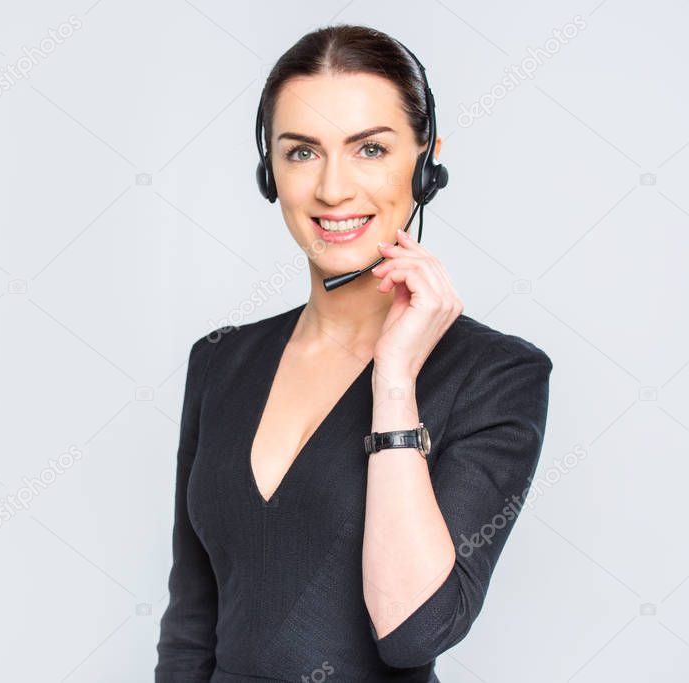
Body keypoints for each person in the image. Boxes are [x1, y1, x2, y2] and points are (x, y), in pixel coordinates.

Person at [155, 24, 553, 683]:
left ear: (425, 165)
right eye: (302, 152)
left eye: (369, 148)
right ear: (268, 172)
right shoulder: (220, 361)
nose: (333, 189)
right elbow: (191, 623)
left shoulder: (495, 375)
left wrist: (393, 381)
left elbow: (413, 630)